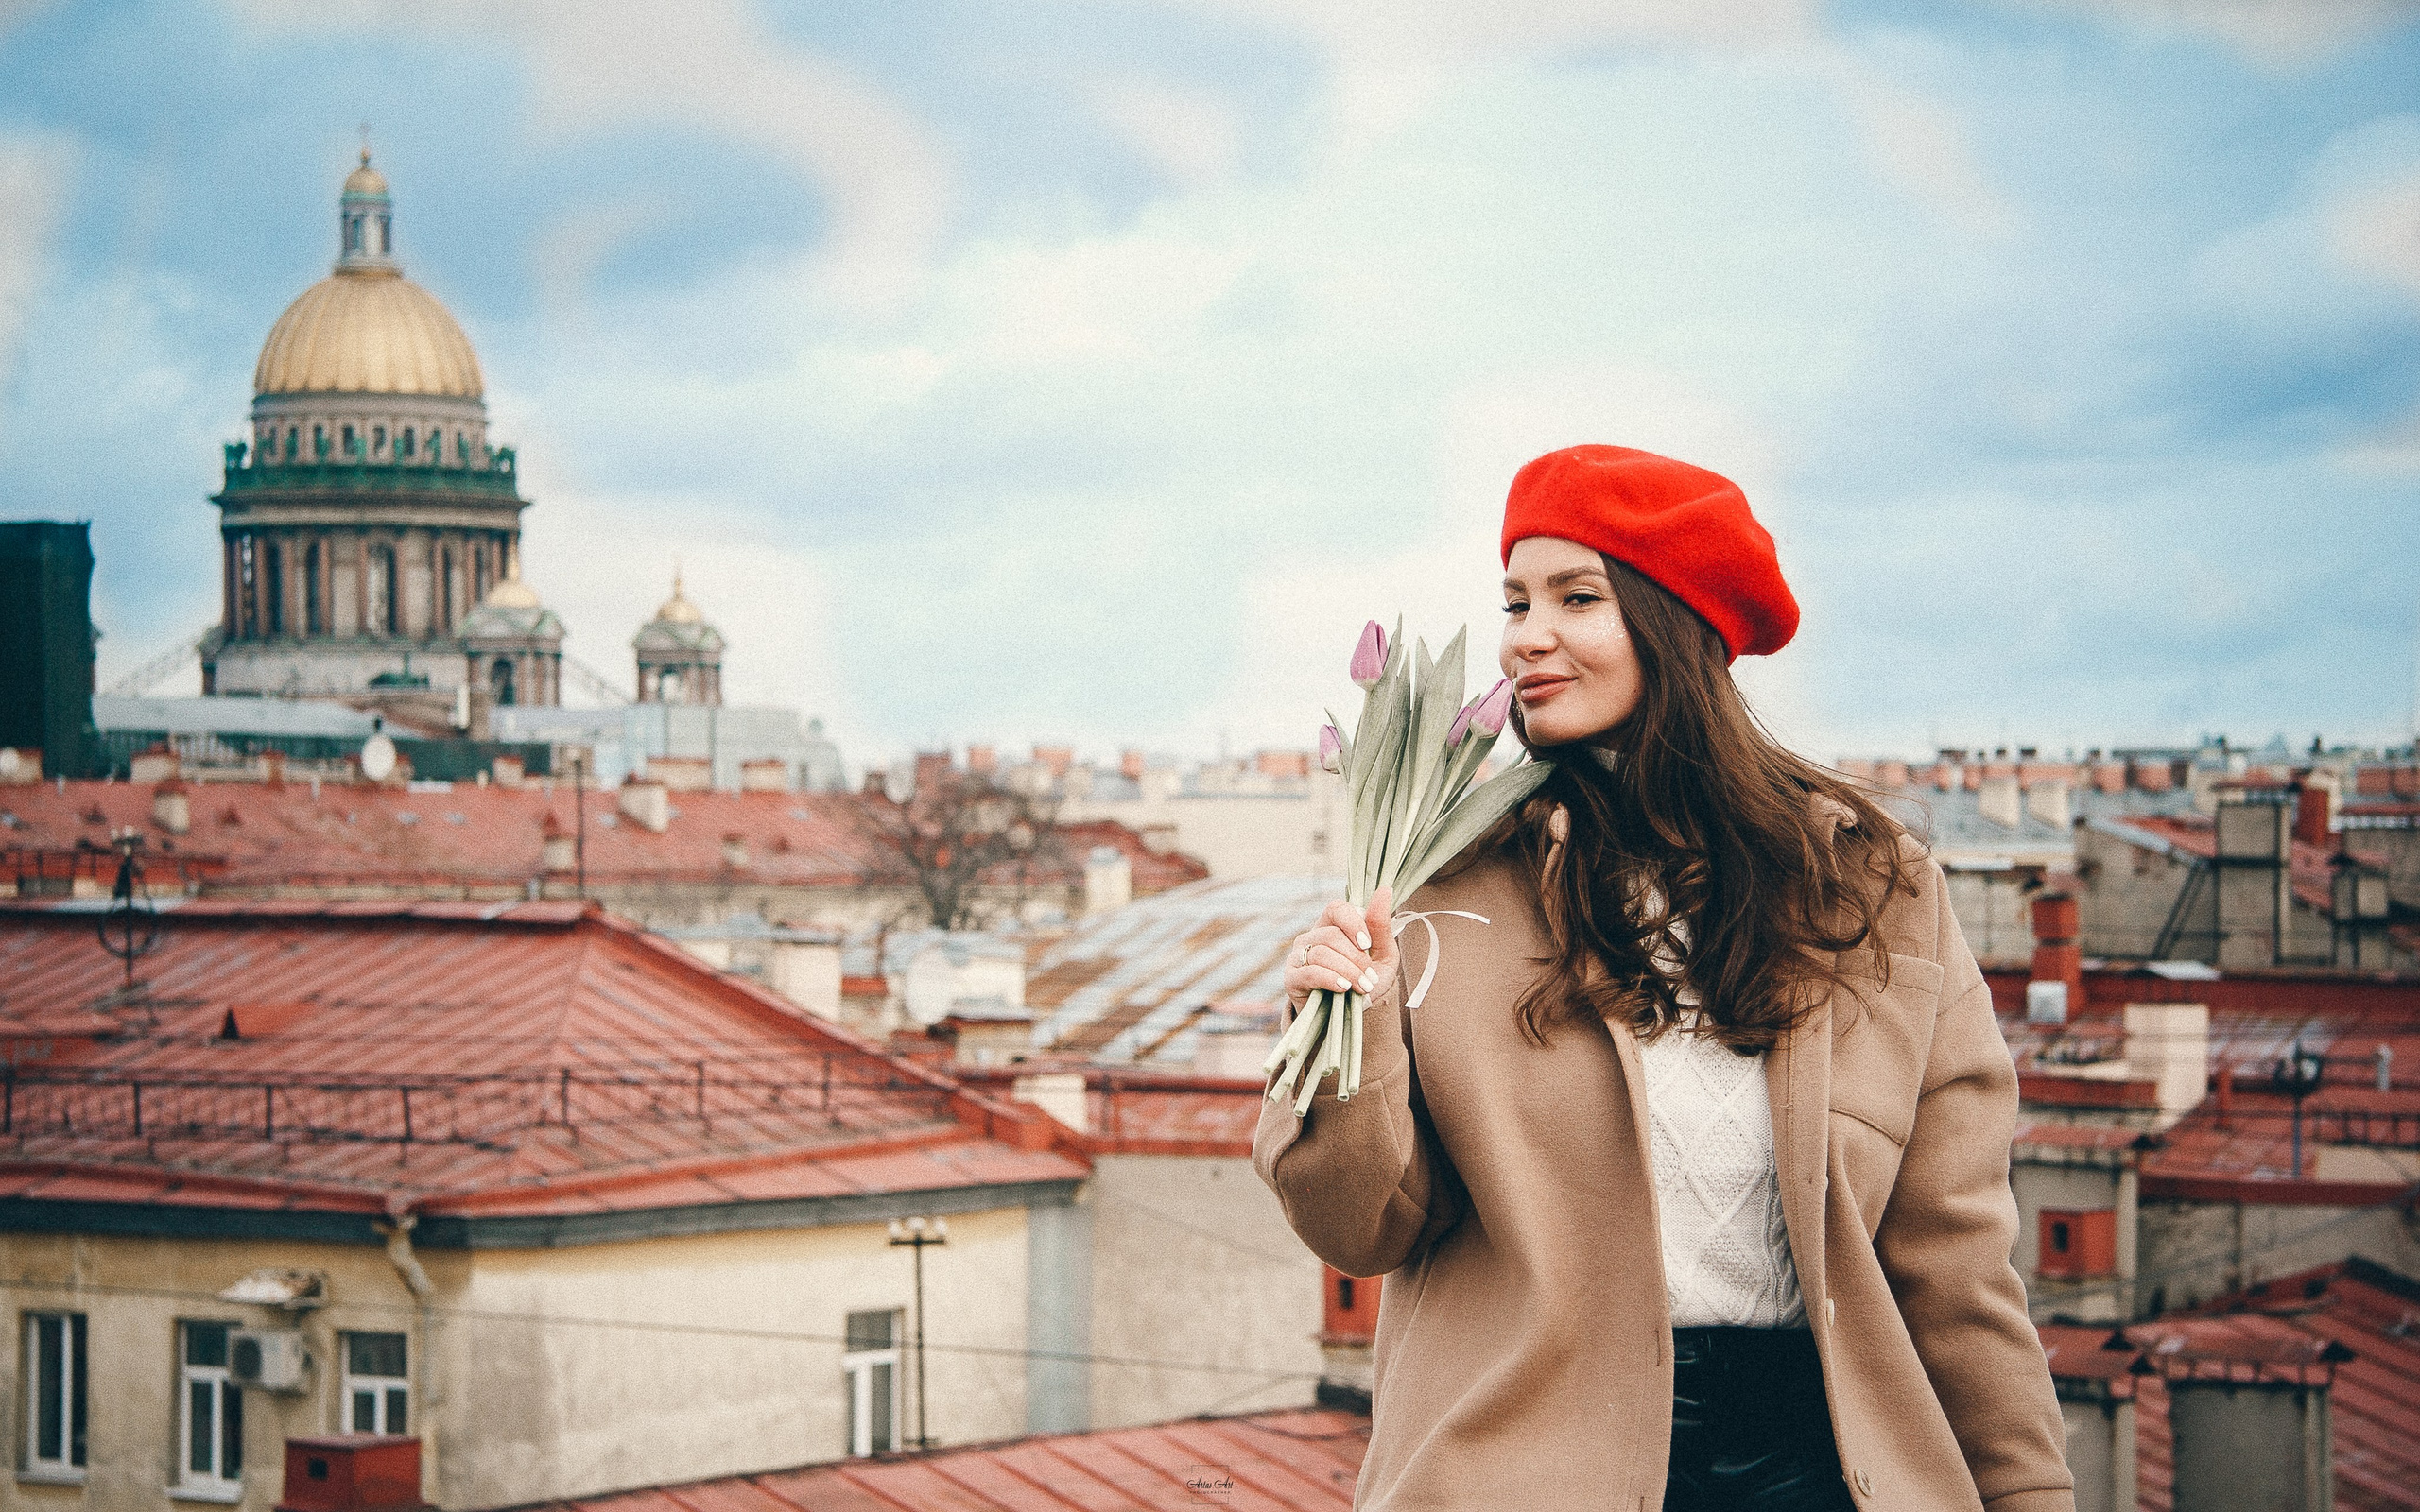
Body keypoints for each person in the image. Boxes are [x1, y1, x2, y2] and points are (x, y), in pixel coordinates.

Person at [1253, 444, 2073, 1512]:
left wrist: (2028, 1493)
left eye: (1575, 596)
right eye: (1513, 600)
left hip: (1824, 1470)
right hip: (1523, 1473)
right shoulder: (1437, 887)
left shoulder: (1871, 889)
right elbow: (1361, 1229)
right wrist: (1351, 1034)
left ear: (1676, 621)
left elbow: (1955, 1260)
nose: (1524, 636)